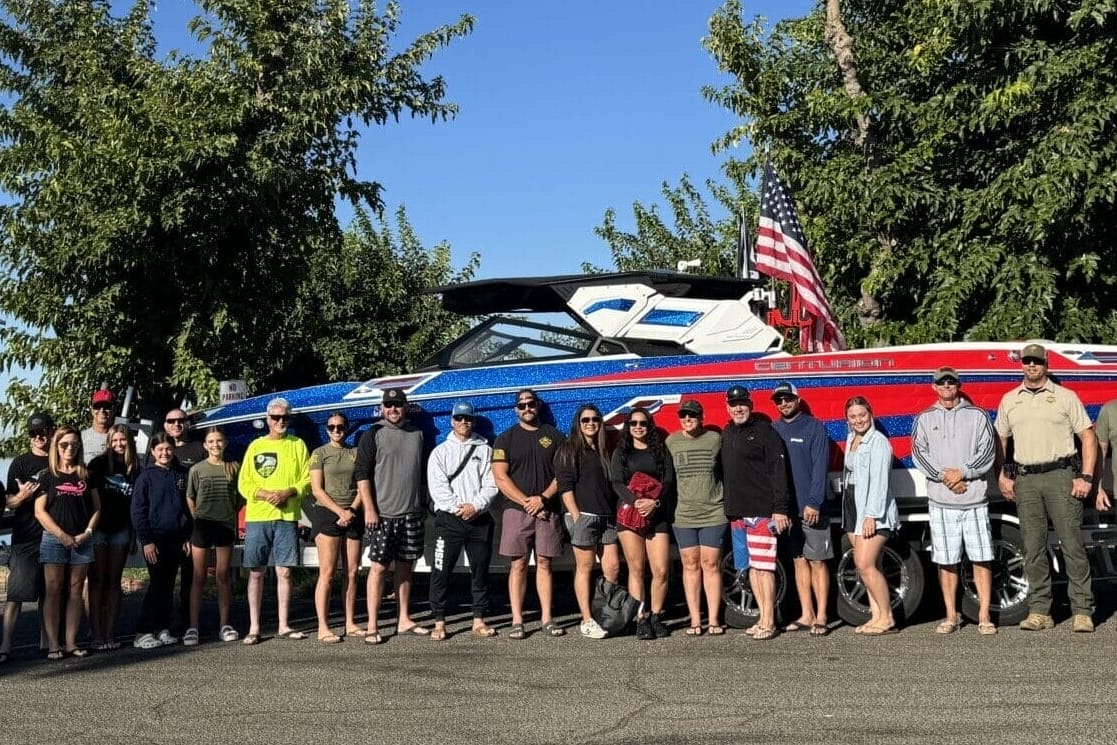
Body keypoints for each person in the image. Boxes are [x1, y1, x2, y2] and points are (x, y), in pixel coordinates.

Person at [996, 343, 1097, 632]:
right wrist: (1002, 475)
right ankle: (1040, 610)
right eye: (1027, 361)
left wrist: (1086, 477)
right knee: (1033, 548)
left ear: (1046, 365)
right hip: (1026, 480)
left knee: (1072, 544)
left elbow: (1088, 438)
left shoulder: (1065, 397)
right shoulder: (1010, 400)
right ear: (1021, 365)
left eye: (1036, 361)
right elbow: (1000, 440)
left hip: (1061, 476)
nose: (1031, 366)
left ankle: (1082, 610)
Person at [912, 367, 999, 635]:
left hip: (974, 500)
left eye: (951, 382)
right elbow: (918, 452)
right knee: (946, 561)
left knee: (981, 558)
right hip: (941, 502)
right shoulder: (924, 418)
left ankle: (984, 616)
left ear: (958, 385)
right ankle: (951, 615)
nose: (946, 386)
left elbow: (988, 451)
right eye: (942, 382)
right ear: (934, 387)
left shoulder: (978, 415)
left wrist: (962, 472)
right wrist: (945, 477)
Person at [492, 388, 567, 639]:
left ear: (538, 405)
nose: (527, 408)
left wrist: (543, 498)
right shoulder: (505, 439)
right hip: (516, 510)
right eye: (522, 405)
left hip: (547, 508)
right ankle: (517, 620)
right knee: (518, 564)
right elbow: (500, 478)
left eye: (530, 403)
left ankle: (547, 619)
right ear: (516, 409)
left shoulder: (555, 436)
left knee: (545, 563)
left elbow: (563, 474)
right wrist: (527, 502)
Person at [718, 385, 791, 641]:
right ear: (727, 407)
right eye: (733, 404)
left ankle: (770, 621)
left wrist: (780, 509)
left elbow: (778, 471)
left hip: (762, 512)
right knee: (750, 568)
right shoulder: (727, 432)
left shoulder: (765, 432)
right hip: (737, 515)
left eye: (743, 404)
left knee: (764, 568)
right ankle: (761, 617)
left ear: (750, 405)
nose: (738, 408)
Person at [356, 388, 427, 643]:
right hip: (382, 514)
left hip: (411, 513)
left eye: (397, 405)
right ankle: (373, 625)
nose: (393, 409)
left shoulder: (418, 434)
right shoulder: (372, 434)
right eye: (389, 405)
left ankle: (404, 619)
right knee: (378, 568)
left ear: (405, 407)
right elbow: (362, 474)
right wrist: (370, 509)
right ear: (382, 407)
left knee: (407, 566)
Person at [237, 397, 311, 644]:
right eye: (276, 417)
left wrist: (287, 492)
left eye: (285, 418)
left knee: (284, 572)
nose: (280, 422)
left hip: (286, 516)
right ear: (268, 419)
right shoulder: (255, 446)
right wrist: (264, 494)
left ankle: (283, 625)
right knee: (256, 572)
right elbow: (244, 482)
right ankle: (254, 627)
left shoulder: (298, 445)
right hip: (258, 516)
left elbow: (307, 479)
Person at [426, 401, 500, 641]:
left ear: (474, 422)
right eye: (459, 419)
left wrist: (476, 506)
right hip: (449, 520)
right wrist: (458, 508)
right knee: (441, 570)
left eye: (468, 419)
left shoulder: (485, 450)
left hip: (479, 519)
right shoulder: (440, 452)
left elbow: (492, 483)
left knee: (480, 571)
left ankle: (478, 619)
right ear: (452, 421)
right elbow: (437, 487)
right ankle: (439, 621)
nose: (463, 423)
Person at [770, 382, 833, 637]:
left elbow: (820, 467)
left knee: (818, 561)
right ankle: (806, 614)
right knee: (798, 561)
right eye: (779, 400)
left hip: (811, 508)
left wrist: (815, 501)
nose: (784, 403)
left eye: (788, 399)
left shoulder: (813, 427)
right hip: (787, 510)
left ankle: (822, 616)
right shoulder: (773, 430)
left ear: (798, 399)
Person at [34, 426, 101, 658]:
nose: (69, 448)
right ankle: (53, 644)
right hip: (54, 539)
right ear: (57, 446)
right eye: (64, 444)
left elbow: (97, 508)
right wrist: (61, 535)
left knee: (75, 590)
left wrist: (88, 532)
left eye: (74, 444)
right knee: (53, 590)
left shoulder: (85, 475)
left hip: (82, 539)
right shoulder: (47, 476)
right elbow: (40, 512)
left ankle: (72, 642)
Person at [556, 403, 620, 640]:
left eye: (595, 419)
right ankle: (586, 619)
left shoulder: (604, 450)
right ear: (578, 424)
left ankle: (604, 614)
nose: (591, 423)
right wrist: (576, 516)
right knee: (585, 568)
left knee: (612, 568)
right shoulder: (569, 449)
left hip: (607, 518)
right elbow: (565, 486)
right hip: (584, 517)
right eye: (586, 420)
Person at [611, 407, 676, 640]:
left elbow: (668, 482)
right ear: (628, 427)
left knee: (660, 570)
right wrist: (638, 502)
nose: (638, 427)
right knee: (636, 569)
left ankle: (656, 616)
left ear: (650, 426)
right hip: (630, 515)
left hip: (657, 515)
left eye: (643, 423)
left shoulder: (660, 451)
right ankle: (641, 617)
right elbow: (617, 483)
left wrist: (654, 503)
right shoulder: (621, 452)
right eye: (634, 423)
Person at [665, 399, 726, 637]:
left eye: (692, 415)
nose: (687, 419)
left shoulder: (714, 439)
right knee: (690, 565)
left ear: (701, 416)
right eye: (683, 415)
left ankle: (713, 620)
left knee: (710, 564)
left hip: (713, 512)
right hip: (684, 515)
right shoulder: (671, 442)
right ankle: (694, 620)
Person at [842, 395, 900, 635]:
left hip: (872, 511)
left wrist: (871, 515)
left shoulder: (878, 442)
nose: (858, 420)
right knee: (870, 565)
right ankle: (875, 615)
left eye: (862, 415)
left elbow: (880, 481)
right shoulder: (852, 438)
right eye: (853, 416)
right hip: (853, 506)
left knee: (864, 563)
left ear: (871, 415)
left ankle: (887, 617)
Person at [131, 432, 193, 649]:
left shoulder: (181, 474)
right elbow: (138, 511)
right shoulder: (145, 477)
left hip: (178, 538)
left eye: (168, 449)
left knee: (168, 586)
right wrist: (146, 540)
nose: (165, 453)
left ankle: (163, 628)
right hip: (155, 540)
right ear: (153, 452)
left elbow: (186, 508)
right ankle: (143, 631)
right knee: (157, 585)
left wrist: (186, 535)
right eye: (160, 450)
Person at [0, 412, 53, 662]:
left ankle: (46, 642)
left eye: (43, 431)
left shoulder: (58, 461)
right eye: (34, 433)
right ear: (29, 436)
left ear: (51, 431)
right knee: (16, 594)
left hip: (53, 536)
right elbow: (8, 501)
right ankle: (5, 646)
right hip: (25, 537)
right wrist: (22, 497)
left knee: (49, 593)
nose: (39, 436)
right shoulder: (19, 463)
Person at [307, 413, 363, 644]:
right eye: (332, 427)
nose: (337, 430)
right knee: (327, 573)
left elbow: (363, 486)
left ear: (347, 428)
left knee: (352, 572)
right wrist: (339, 512)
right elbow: (317, 489)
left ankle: (350, 622)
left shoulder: (356, 452)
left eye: (341, 426)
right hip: (327, 514)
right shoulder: (319, 453)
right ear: (327, 429)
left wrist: (351, 510)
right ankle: (323, 626)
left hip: (353, 513)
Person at [86, 424, 140, 650]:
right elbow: (89, 499)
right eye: (115, 440)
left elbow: (138, 503)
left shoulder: (135, 467)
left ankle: (110, 633)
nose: (119, 444)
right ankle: (96, 633)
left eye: (123, 440)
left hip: (121, 529)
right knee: (96, 581)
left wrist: (134, 534)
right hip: (99, 528)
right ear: (109, 442)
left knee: (114, 582)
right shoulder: (97, 465)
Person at [186, 427, 242, 645]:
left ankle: (224, 624)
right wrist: (197, 516)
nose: (215, 445)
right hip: (202, 525)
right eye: (211, 441)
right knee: (198, 576)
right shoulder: (197, 470)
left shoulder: (233, 467)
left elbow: (240, 496)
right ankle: (193, 627)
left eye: (219, 441)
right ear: (205, 445)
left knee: (222, 576)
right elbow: (190, 497)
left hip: (225, 525)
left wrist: (229, 512)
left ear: (225, 443)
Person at [82, 388, 115, 464]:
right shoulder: (80, 438)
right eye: (98, 406)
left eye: (107, 406)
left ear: (113, 410)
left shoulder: (119, 439)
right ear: (92, 411)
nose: (102, 410)